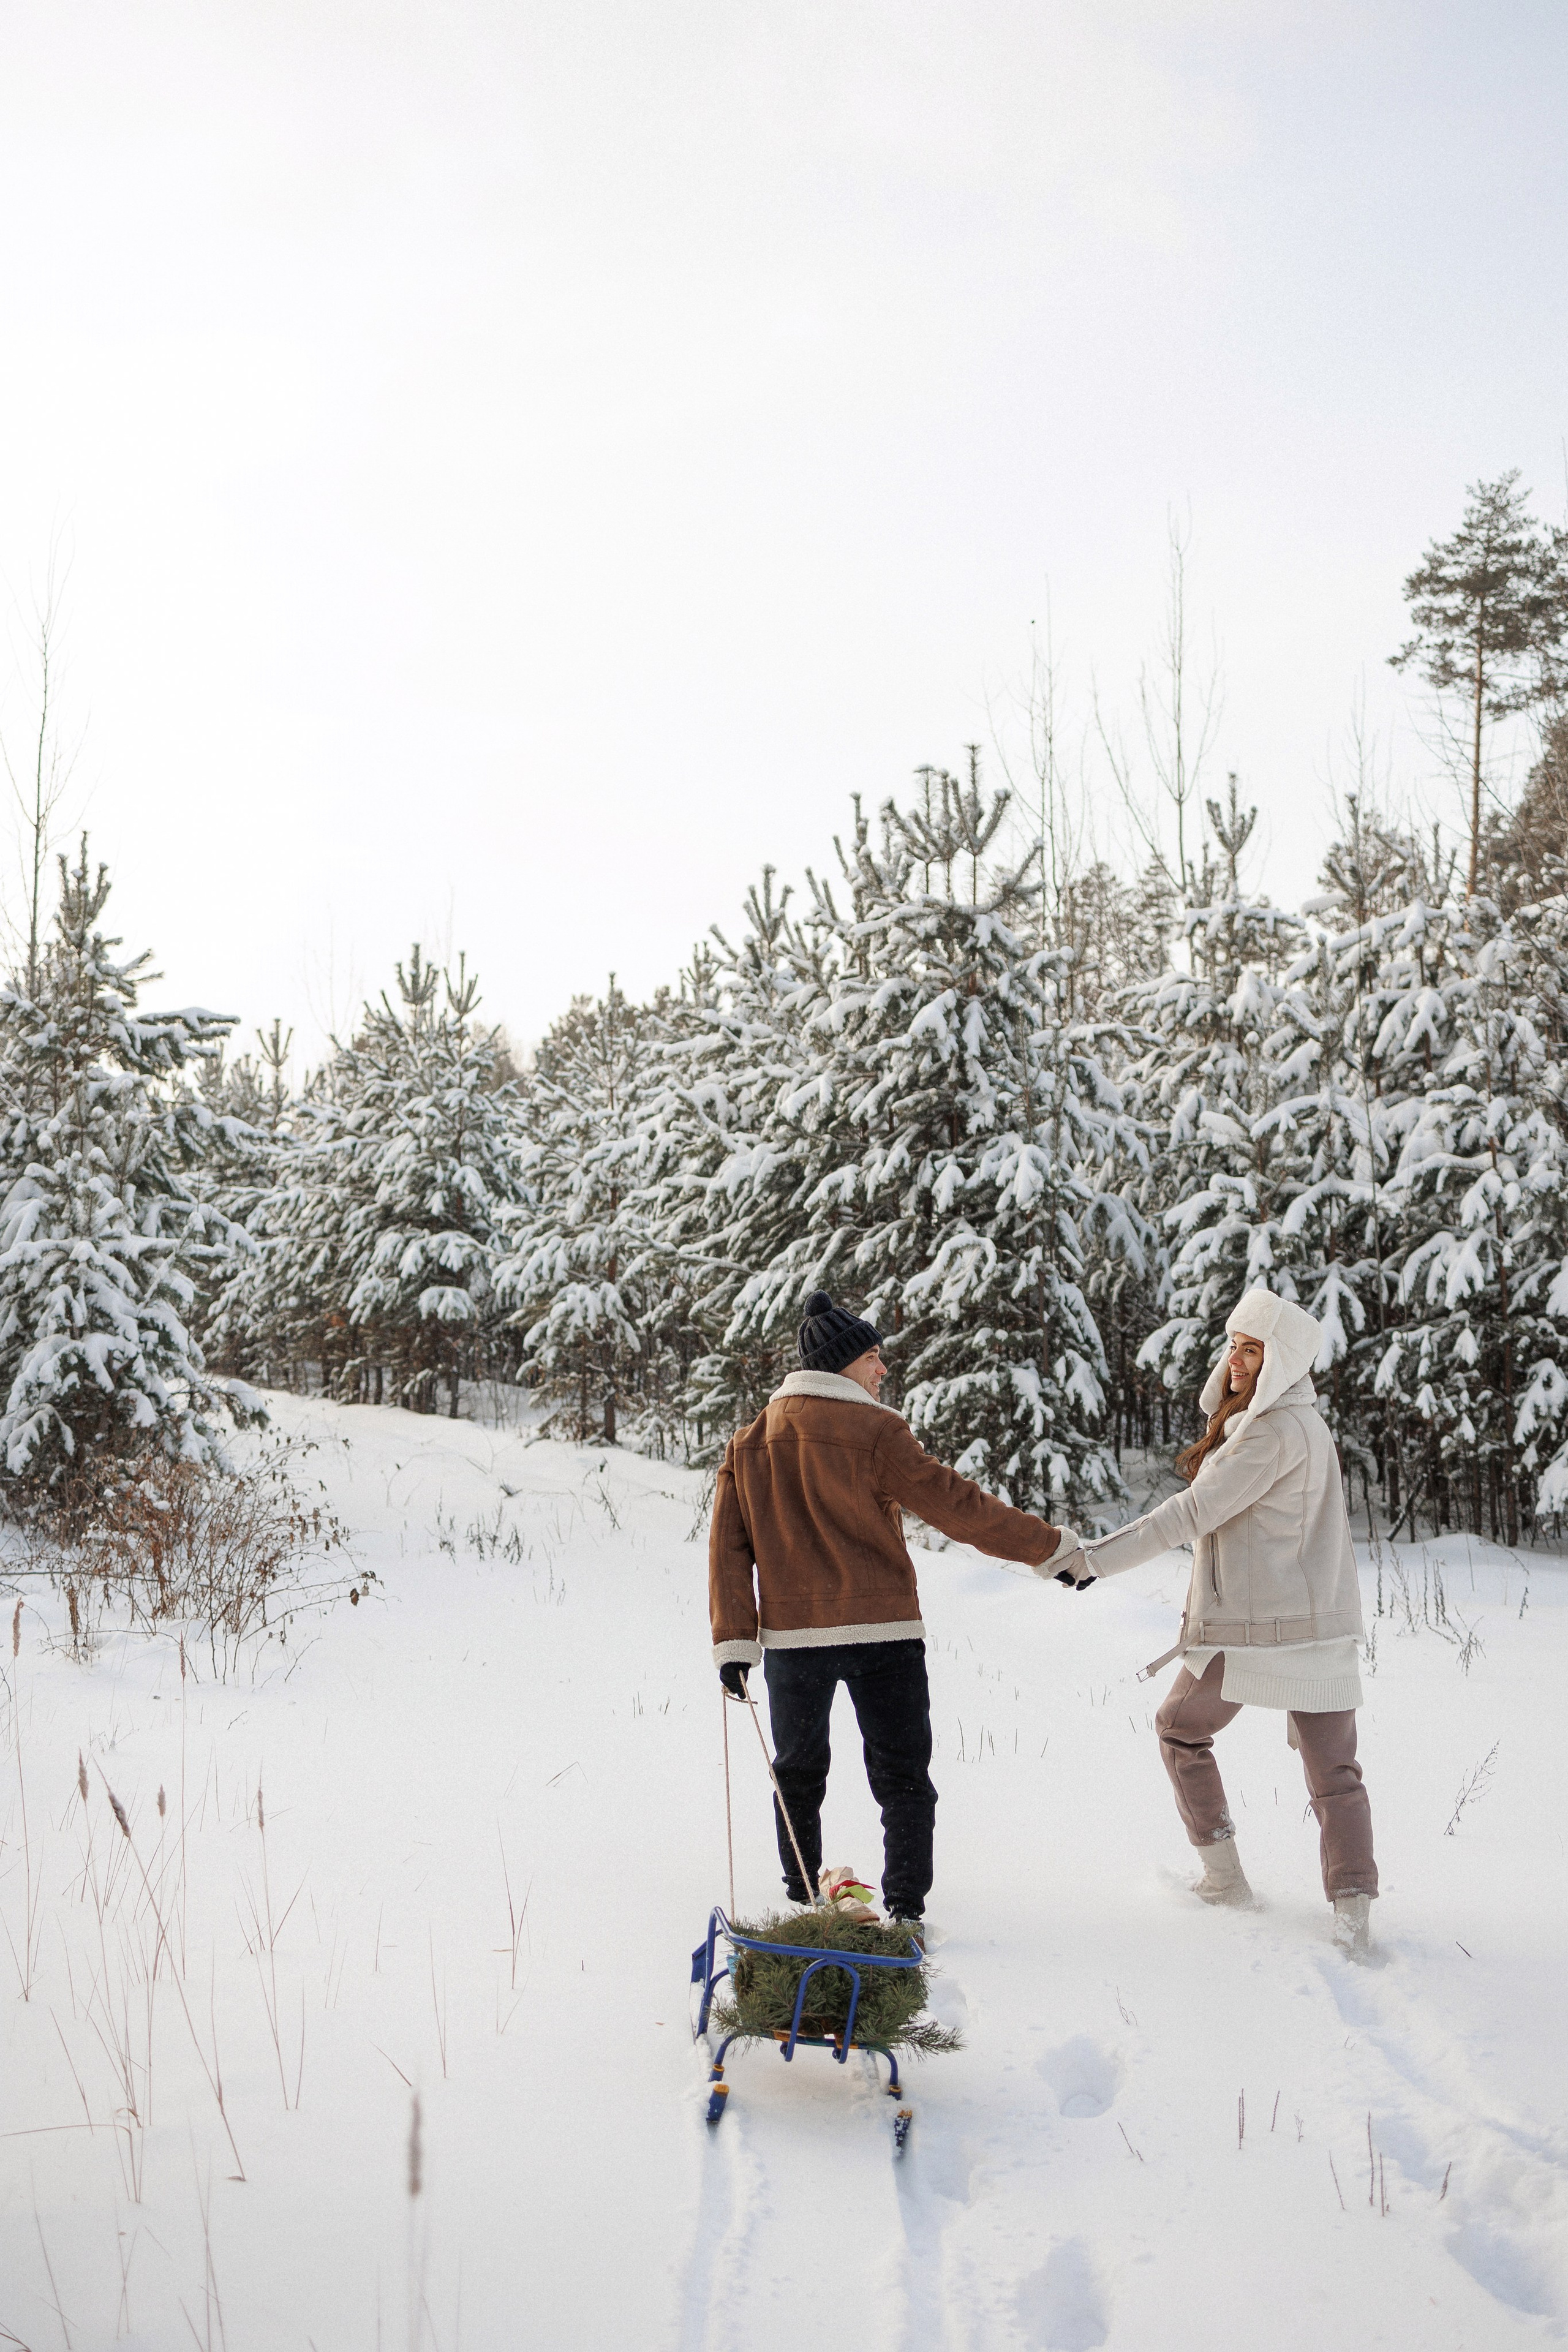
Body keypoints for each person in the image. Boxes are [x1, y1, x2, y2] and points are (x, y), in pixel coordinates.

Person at [708, 1289, 1074, 1924]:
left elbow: (727, 1551)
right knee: (902, 1774)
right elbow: (957, 1505)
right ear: (841, 1363)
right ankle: (906, 1910)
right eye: (872, 1357)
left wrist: (735, 1643)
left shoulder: (749, 1442)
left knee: (797, 1772)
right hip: (885, 1636)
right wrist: (1049, 1548)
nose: (882, 1369)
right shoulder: (876, 1431)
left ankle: (805, 1899)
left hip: (795, 1641)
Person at [1063, 1287, 1378, 1956]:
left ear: (1281, 1359)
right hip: (1319, 1627)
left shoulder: (1269, 1432)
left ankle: (1225, 1879)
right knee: (1335, 1775)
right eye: (1233, 1344)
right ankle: (1353, 1924)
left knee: (1178, 1729)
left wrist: (1091, 1561)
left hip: (1259, 1633)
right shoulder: (1303, 1422)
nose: (1235, 1359)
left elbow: (1188, 1514)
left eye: (1252, 1349)